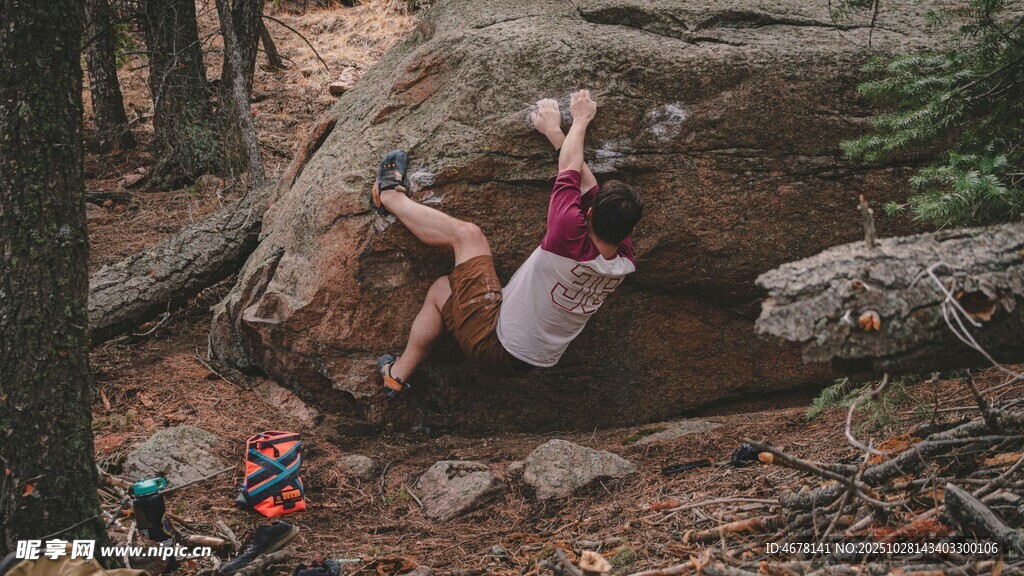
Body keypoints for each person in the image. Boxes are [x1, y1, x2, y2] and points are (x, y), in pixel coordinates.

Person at [369, 90, 643, 398]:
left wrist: (579, 120)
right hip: (530, 359)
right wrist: (554, 132)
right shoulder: (624, 260)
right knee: (442, 290)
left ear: (588, 214)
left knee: (468, 236)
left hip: (495, 341)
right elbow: (587, 186)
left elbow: (572, 170)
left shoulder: (568, 236)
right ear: (630, 230)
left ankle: (388, 195)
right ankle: (395, 376)